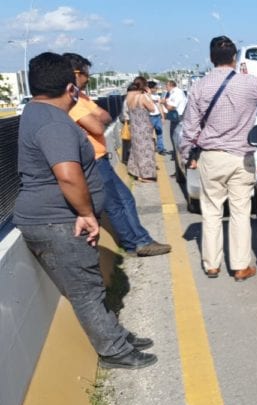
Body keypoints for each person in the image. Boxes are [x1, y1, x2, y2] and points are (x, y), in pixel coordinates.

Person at [14, 52, 157, 369]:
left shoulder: (34, 111)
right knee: (86, 290)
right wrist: (87, 213)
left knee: (88, 286)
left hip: (51, 218)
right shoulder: (55, 124)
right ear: (71, 89)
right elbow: (67, 174)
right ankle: (114, 352)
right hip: (59, 222)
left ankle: (116, 335)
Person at [180, 35, 257, 281]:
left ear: (210, 58)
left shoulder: (198, 87)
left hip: (211, 157)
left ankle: (212, 264)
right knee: (240, 212)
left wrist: (188, 156)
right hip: (242, 157)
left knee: (212, 211)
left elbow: (190, 128)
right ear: (235, 58)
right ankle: (239, 266)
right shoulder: (249, 83)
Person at [63, 53, 171, 257]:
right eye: (86, 73)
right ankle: (134, 243)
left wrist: (97, 118)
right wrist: (96, 118)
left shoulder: (82, 98)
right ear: (76, 74)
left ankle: (141, 240)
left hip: (101, 157)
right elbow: (97, 125)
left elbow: (105, 116)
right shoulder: (73, 102)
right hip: (92, 161)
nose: (88, 78)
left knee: (126, 199)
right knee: (114, 204)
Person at [125, 76, 157, 182]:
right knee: (145, 150)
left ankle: (136, 172)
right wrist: (148, 95)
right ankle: (145, 175)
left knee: (136, 150)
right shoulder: (142, 97)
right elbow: (152, 109)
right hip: (143, 128)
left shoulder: (129, 98)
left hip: (134, 128)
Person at [161, 79, 187, 150]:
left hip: (178, 117)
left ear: (170, 86)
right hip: (176, 117)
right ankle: (176, 152)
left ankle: (177, 153)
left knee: (174, 136)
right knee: (175, 136)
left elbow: (171, 107)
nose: (166, 88)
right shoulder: (174, 92)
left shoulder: (176, 93)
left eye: (166, 86)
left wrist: (164, 103)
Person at [147, 80, 168, 155]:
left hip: (157, 116)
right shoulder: (145, 96)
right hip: (150, 117)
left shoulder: (157, 95)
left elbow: (160, 106)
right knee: (149, 134)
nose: (156, 89)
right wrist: (148, 93)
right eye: (155, 88)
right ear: (150, 88)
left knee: (159, 133)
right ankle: (150, 149)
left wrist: (162, 117)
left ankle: (161, 149)